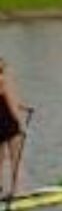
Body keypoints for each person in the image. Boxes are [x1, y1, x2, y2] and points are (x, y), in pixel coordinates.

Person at [0, 60, 29, 202]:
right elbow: (11, 105)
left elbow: (4, 100)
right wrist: (21, 124)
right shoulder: (3, 80)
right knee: (15, 159)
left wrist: (22, 106)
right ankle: (15, 191)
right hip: (9, 125)